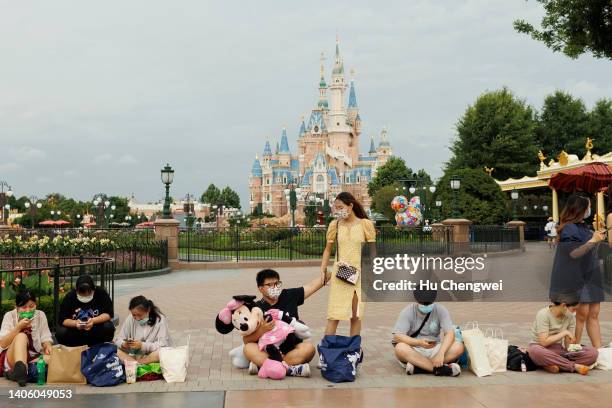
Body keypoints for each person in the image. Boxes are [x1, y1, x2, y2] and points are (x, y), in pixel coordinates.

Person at [243, 268, 326, 377]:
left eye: (277, 283)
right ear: (261, 288)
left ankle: (265, 367)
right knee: (248, 348)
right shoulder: (256, 308)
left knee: (309, 349)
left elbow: (311, 286)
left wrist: (330, 273)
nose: (275, 287)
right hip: (269, 351)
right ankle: (291, 369)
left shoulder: (289, 295)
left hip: (291, 349)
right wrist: (262, 330)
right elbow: (246, 340)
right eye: (270, 285)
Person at [551, 195, 605, 348]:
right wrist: (593, 241)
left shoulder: (583, 227)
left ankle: (599, 351)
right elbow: (574, 254)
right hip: (577, 277)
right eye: (588, 206)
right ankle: (573, 350)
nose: (590, 209)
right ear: (580, 209)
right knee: (580, 316)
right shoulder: (569, 228)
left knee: (594, 314)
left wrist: (597, 238)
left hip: (591, 274)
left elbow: (589, 249)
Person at [320, 192, 376, 337]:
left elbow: (372, 252)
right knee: (334, 314)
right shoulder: (335, 225)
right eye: (336, 208)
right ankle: (326, 352)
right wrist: (323, 270)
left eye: (341, 207)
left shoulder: (365, 224)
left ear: (350, 206)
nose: (338, 211)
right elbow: (327, 250)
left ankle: (353, 351)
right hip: (340, 275)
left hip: (360, 275)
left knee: (356, 315)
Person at [392, 289, 464, 376]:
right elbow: (397, 336)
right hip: (415, 350)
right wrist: (418, 342)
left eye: (429, 304)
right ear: (417, 301)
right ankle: (440, 370)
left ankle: (419, 368)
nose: (426, 306)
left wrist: (441, 353)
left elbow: (450, 333)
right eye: (423, 303)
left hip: (435, 349)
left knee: (459, 346)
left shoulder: (441, 310)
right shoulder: (408, 311)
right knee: (400, 348)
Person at [527, 291, 598, 374]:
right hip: (541, 348)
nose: (575, 312)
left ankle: (551, 364)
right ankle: (573, 366)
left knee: (593, 353)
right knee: (535, 351)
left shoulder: (570, 317)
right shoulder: (543, 314)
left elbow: (568, 347)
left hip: (558, 351)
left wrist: (573, 345)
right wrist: (564, 333)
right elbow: (543, 342)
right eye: (574, 309)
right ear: (564, 305)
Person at [0, 290, 53, 387]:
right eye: (24, 307)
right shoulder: (9, 316)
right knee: (21, 336)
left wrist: (47, 346)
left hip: (33, 357)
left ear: (36, 305)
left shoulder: (40, 315)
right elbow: (2, 343)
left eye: (31, 306)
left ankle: (16, 373)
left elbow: (46, 337)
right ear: (16, 307)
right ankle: (21, 370)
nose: (28, 310)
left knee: (54, 358)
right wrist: (18, 327)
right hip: (13, 358)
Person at [56, 274, 115, 347]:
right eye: (82, 294)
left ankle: (101, 346)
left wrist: (93, 321)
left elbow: (108, 314)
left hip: (95, 328)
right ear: (76, 290)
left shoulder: (100, 293)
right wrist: (76, 323)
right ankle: (73, 348)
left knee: (108, 327)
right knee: (61, 332)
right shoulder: (70, 297)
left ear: (93, 289)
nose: (86, 296)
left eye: (89, 293)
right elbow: (63, 320)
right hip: (76, 331)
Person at [115, 296, 171, 364]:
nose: (137, 318)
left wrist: (142, 346)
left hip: (150, 356)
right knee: (114, 350)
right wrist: (124, 344)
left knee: (160, 353)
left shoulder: (160, 320)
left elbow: (164, 345)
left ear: (148, 310)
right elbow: (118, 339)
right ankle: (136, 363)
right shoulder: (130, 319)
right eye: (134, 315)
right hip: (134, 356)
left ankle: (138, 363)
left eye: (140, 315)